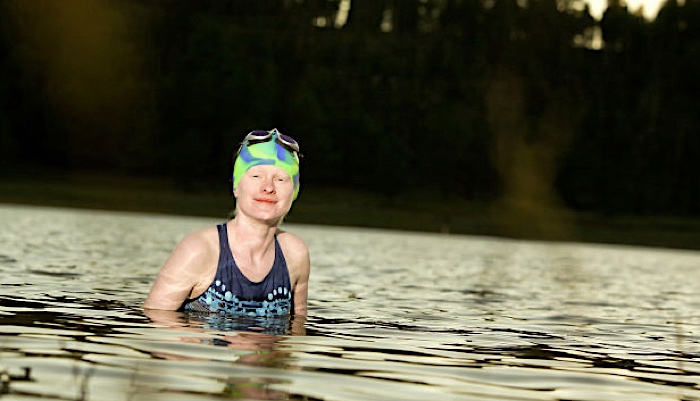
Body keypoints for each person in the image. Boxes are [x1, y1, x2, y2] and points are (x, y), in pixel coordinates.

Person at [144, 128, 310, 319]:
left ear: (294, 192)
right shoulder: (199, 249)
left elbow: (297, 328)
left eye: (280, 179)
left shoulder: (295, 254)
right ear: (236, 187)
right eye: (256, 176)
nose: (268, 187)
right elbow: (155, 321)